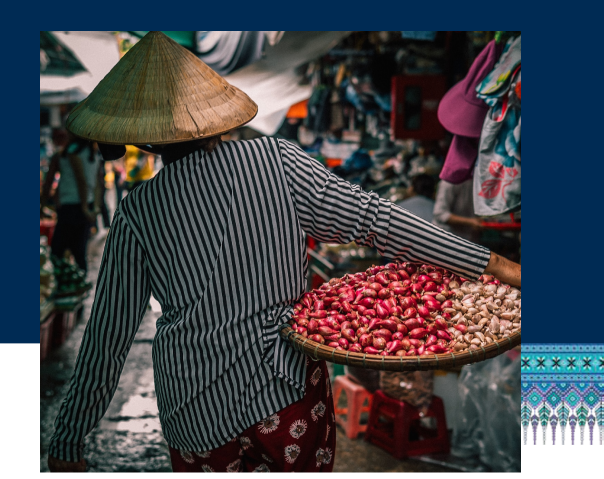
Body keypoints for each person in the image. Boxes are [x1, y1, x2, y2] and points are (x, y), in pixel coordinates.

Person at [47, 32, 520, 474]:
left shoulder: (138, 211)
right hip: (284, 395)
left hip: (195, 414)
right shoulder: (278, 162)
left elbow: (108, 334)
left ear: (143, 139)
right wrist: (496, 264)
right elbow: (378, 222)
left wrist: (69, 438)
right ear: (216, 113)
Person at [40, 133, 104, 275]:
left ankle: (62, 285)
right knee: (79, 250)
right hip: (86, 206)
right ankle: (80, 285)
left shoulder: (69, 152)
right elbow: (99, 184)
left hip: (71, 207)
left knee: (58, 250)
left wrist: (84, 208)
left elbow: (79, 180)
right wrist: (95, 208)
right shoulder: (93, 154)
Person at [432, 177, 484, 243]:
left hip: (469, 240)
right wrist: (470, 222)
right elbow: (440, 214)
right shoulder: (449, 182)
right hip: (448, 240)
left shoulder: (476, 181)